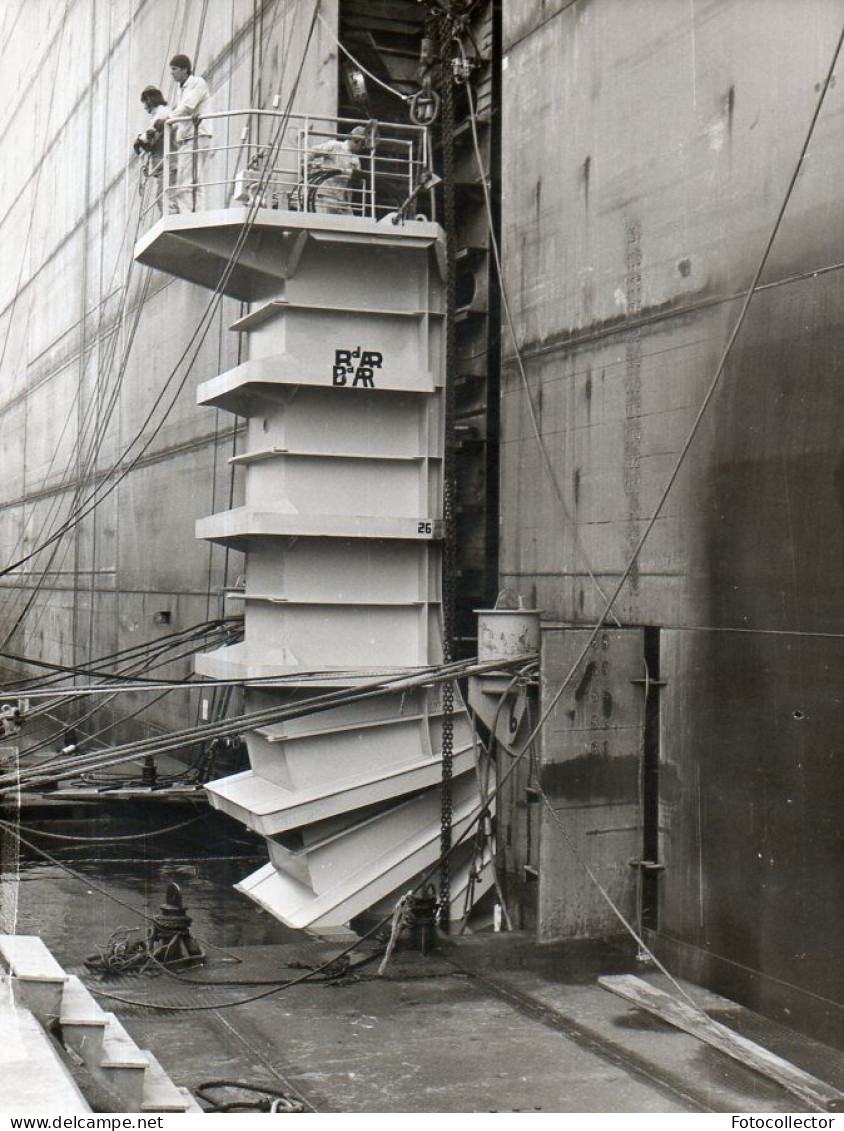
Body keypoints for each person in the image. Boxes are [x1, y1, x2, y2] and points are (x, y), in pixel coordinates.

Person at [153, 53, 213, 213]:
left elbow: (188, 107)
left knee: (187, 180)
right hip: (189, 137)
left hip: (195, 136)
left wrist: (167, 118)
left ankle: (189, 215)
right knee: (192, 179)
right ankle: (196, 212)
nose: (172, 73)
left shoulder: (197, 83)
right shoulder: (184, 88)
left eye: (174, 69)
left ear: (185, 70)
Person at [307, 125, 368, 215]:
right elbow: (311, 152)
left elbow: (357, 183)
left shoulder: (355, 159)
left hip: (343, 200)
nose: (362, 149)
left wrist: (355, 174)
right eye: (362, 145)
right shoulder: (334, 146)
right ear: (356, 141)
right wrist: (307, 167)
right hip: (326, 195)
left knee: (351, 223)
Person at [133, 86, 172, 215]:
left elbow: (152, 137)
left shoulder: (162, 113)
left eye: (145, 103)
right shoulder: (158, 115)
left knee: (165, 198)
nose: (145, 107)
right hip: (162, 166)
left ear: (150, 100)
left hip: (168, 164)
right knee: (163, 198)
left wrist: (141, 140)